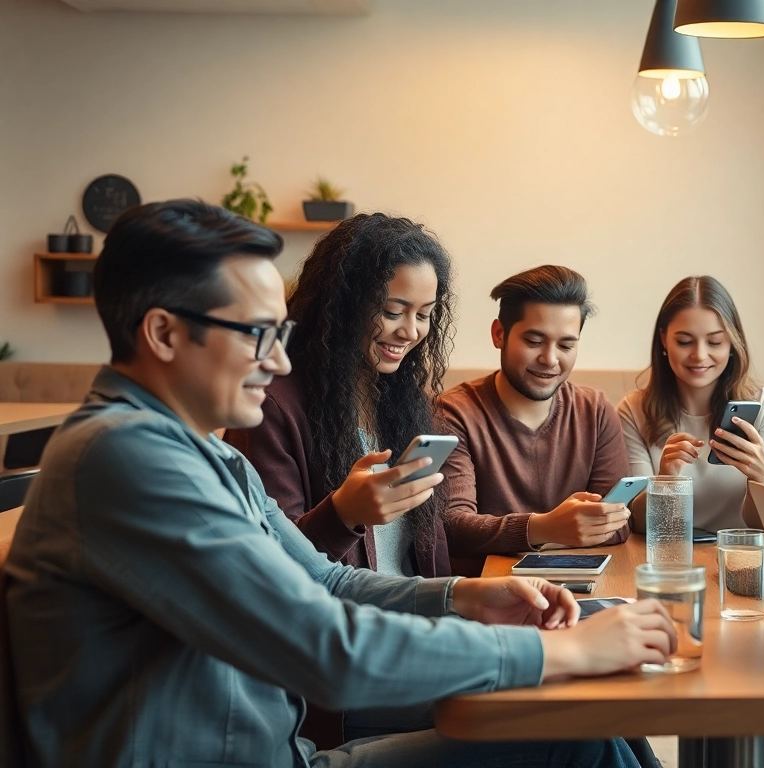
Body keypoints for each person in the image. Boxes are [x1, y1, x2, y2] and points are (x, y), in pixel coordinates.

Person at [4, 200, 676, 768]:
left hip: (285, 750)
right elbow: (326, 648)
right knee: (573, 727)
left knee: (579, 722)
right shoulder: (125, 459)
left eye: (281, 333)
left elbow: (331, 584)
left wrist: (469, 595)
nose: (278, 358)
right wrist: (548, 651)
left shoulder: (207, 457)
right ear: (163, 333)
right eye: (258, 334)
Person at [223, 213, 458, 748]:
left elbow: (428, 547)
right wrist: (343, 515)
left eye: (424, 314)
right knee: (568, 720)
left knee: (590, 710)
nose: (411, 332)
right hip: (345, 670)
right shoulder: (273, 405)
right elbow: (271, 576)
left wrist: (463, 608)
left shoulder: (405, 401)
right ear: (343, 303)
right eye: (393, 311)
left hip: (416, 639)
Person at [437, 265, 631, 577]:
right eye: (534, 340)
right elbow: (453, 528)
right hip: (486, 597)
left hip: (581, 586)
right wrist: (545, 528)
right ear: (499, 334)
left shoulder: (595, 411)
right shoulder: (453, 413)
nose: (550, 359)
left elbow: (619, 523)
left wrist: (543, 535)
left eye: (566, 345)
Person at [616, 275, 764, 532]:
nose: (699, 355)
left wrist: (762, 477)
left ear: (732, 342)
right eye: (684, 342)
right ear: (664, 340)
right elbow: (638, 523)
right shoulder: (634, 411)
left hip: (740, 558)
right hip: (669, 559)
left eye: (715, 342)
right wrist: (666, 479)